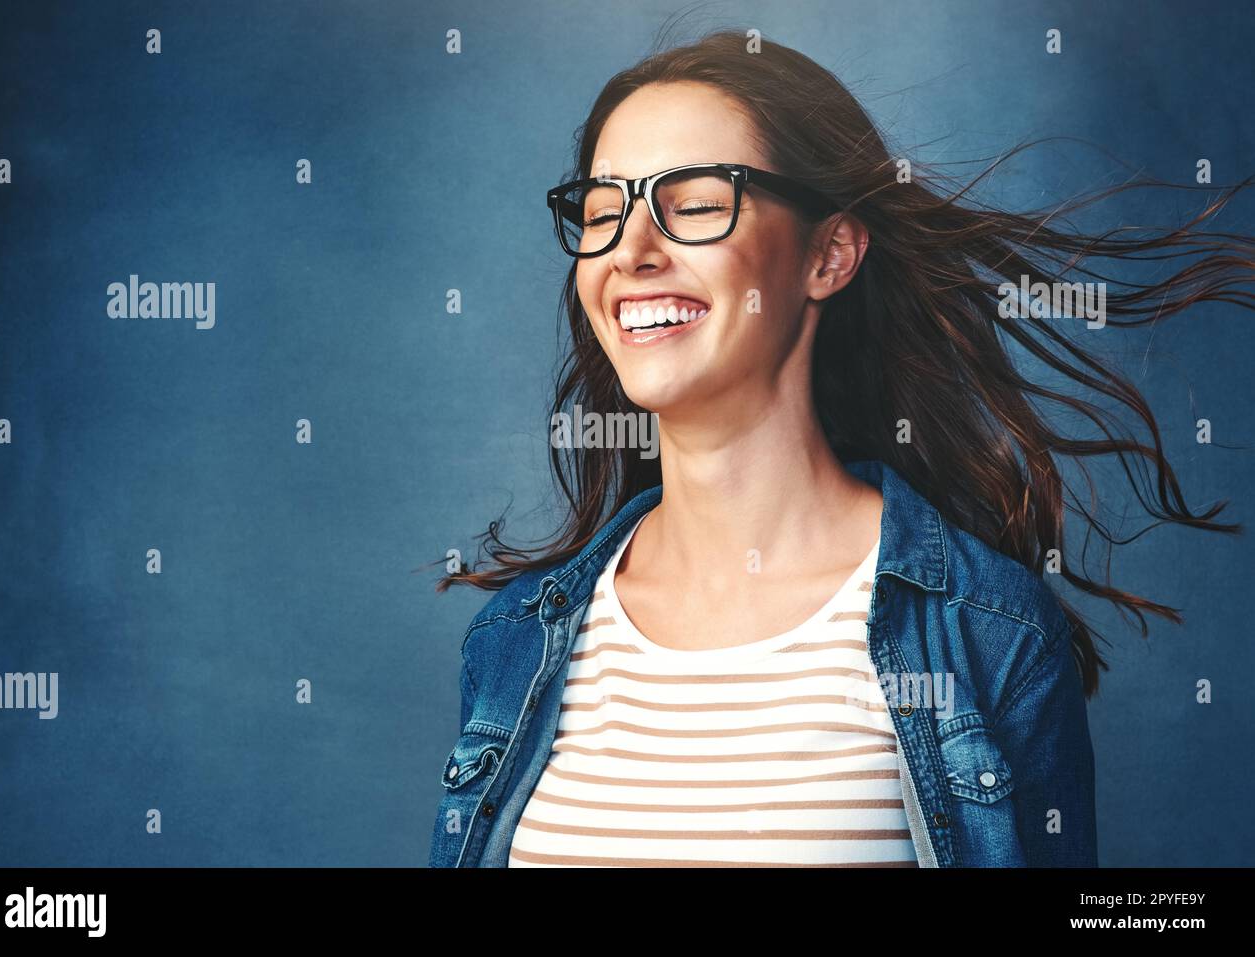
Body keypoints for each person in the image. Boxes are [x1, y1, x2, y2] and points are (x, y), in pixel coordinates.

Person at [429, 29, 1251, 867]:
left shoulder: (988, 635)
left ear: (829, 254)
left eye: (699, 203)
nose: (632, 251)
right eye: (603, 213)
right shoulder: (514, 641)